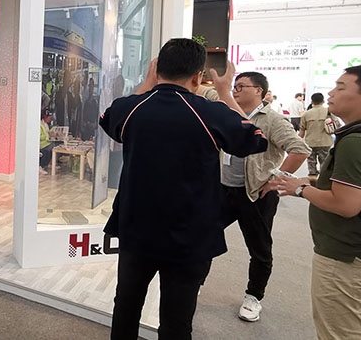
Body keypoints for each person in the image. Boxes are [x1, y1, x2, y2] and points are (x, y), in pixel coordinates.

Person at [100, 38, 269, 339]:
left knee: (126, 305)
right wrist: (225, 93)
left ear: (156, 70)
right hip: (190, 236)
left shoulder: (132, 108)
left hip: (136, 229)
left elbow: (108, 119)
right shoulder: (211, 112)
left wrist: (147, 83)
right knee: (177, 321)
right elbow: (256, 139)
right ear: (197, 76)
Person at [273, 65, 361, 340]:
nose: (331, 93)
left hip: (349, 263)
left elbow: (346, 204)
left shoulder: (359, 141)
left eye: (341, 87)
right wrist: (314, 182)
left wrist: (300, 189)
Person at [220, 71, 311, 322]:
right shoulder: (228, 113)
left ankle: (254, 296)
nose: (236, 90)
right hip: (224, 188)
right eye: (234, 86)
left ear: (259, 90)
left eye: (241, 86)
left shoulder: (272, 119)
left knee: (259, 247)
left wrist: (276, 178)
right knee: (204, 234)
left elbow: (300, 149)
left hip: (256, 193)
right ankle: (196, 281)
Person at [300, 93, 340, 176]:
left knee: (311, 162)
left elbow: (302, 131)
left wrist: (299, 142)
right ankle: (323, 178)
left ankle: (312, 177)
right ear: (323, 101)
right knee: (325, 162)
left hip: (310, 142)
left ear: (312, 102)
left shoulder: (306, 114)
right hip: (325, 142)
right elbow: (338, 126)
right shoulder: (329, 112)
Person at [39, 110, 55, 175]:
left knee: (55, 145)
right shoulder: (40, 125)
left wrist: (53, 129)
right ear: (45, 117)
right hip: (42, 144)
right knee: (51, 147)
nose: (51, 120)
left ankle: (49, 163)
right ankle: (41, 166)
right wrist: (48, 135)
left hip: (47, 142)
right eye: (50, 118)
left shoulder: (46, 124)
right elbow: (39, 137)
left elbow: (47, 133)